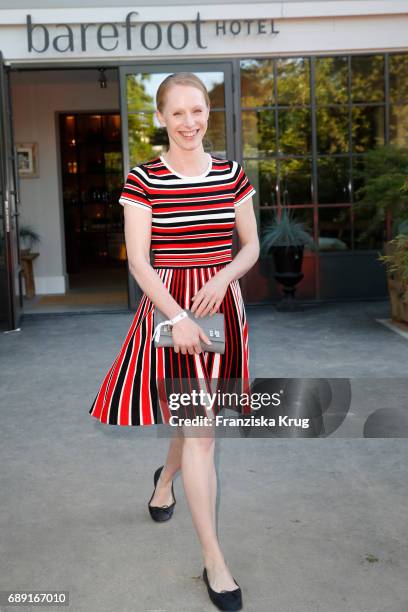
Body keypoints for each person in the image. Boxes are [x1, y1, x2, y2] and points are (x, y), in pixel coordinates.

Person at [89, 72, 259, 611]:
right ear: (161, 118)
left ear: (210, 113)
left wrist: (222, 278)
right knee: (202, 431)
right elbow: (139, 261)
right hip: (171, 312)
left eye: (199, 109)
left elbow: (251, 246)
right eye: (178, 112)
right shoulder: (143, 180)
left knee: (197, 421)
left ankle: (165, 480)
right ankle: (215, 561)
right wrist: (179, 315)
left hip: (219, 308)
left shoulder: (232, 174)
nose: (190, 122)